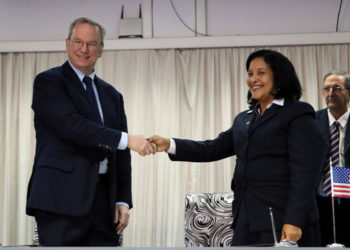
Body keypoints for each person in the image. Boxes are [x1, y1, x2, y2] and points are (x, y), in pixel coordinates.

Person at [150, 49, 326, 246]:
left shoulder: (297, 113)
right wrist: (170, 144)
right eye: (250, 74)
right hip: (246, 219)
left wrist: (294, 220)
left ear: (279, 76)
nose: (253, 79)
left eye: (261, 73)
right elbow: (213, 148)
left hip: (282, 220)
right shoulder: (244, 119)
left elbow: (306, 173)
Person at [26, 17, 156, 246]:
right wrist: (127, 140)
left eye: (92, 44)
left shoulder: (112, 96)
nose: (84, 49)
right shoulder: (49, 82)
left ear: (101, 50)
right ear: (67, 43)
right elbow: (72, 126)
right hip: (60, 200)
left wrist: (123, 199)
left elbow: (121, 153)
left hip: (103, 203)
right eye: (78, 41)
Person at [316, 71, 350, 247]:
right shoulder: (311, 121)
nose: (331, 93)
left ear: (349, 93)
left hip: (348, 195)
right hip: (319, 199)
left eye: (337, 88)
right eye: (327, 89)